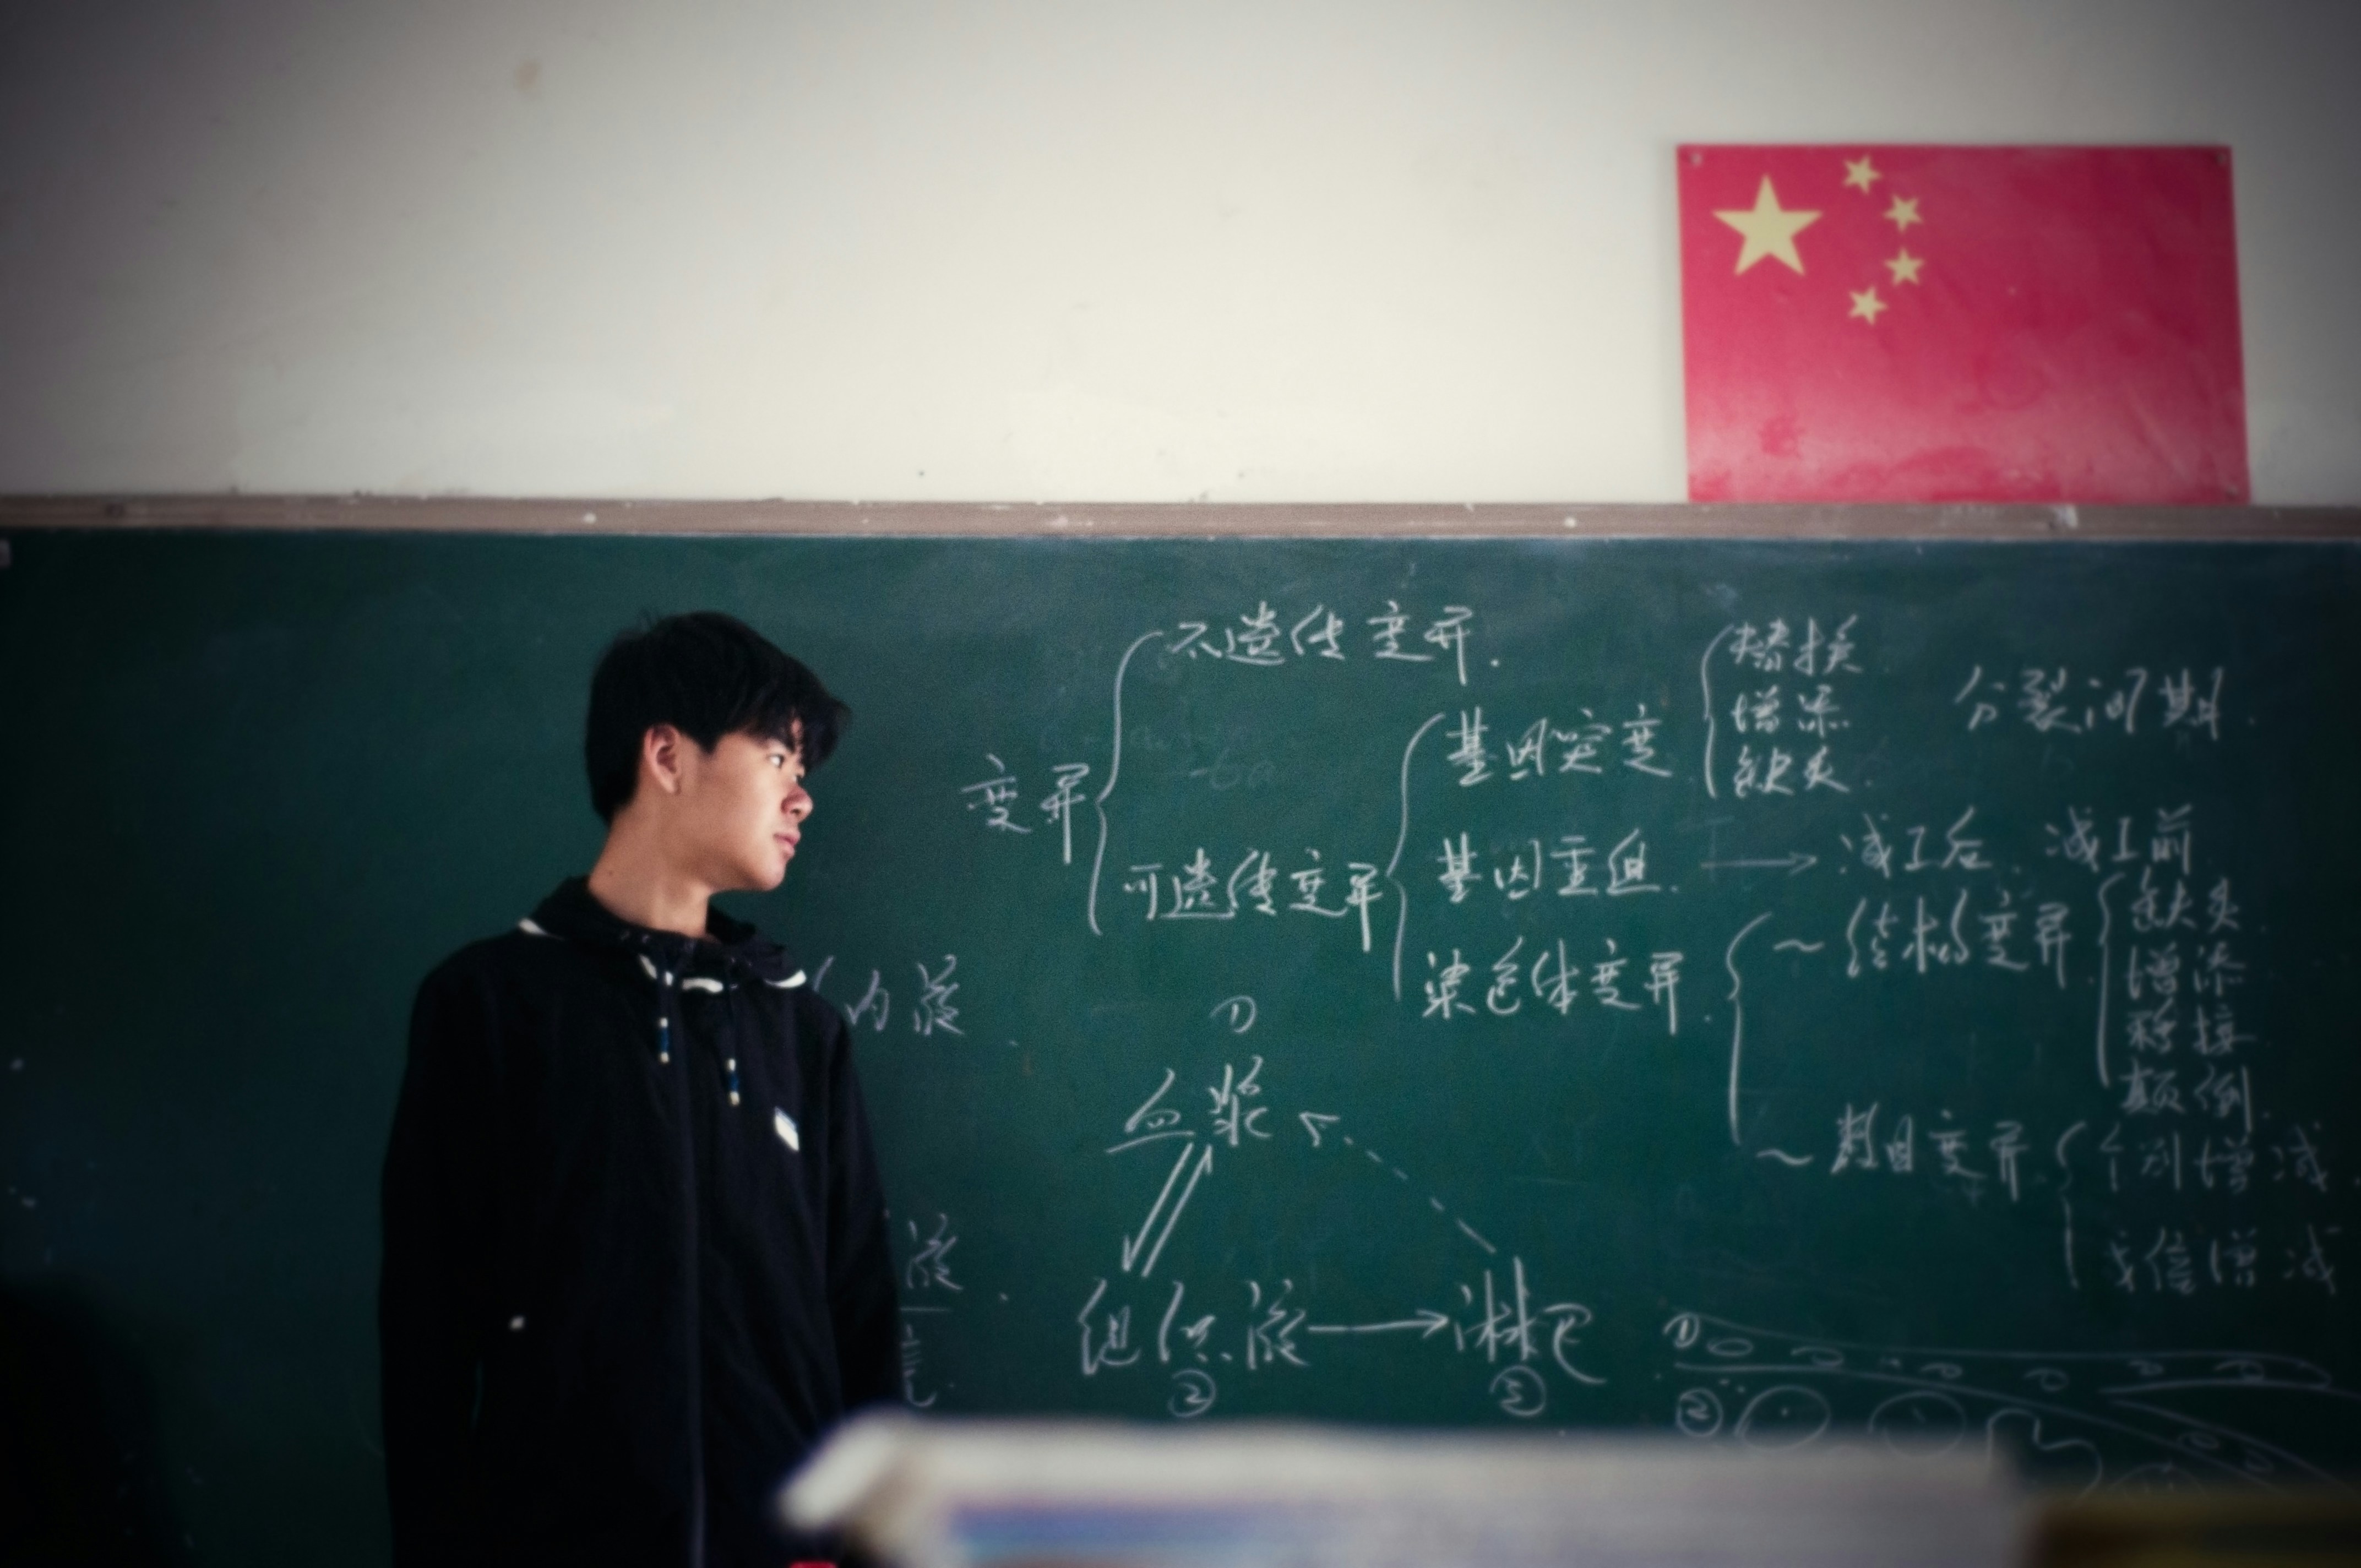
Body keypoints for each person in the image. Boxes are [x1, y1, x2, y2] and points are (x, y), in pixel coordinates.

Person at [380, 612, 900, 1567]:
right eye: (779, 759)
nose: (802, 797)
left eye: (803, 772)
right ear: (667, 755)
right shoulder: (491, 1006)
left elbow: (860, 1321)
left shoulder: (801, 1030)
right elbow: (427, 1327)